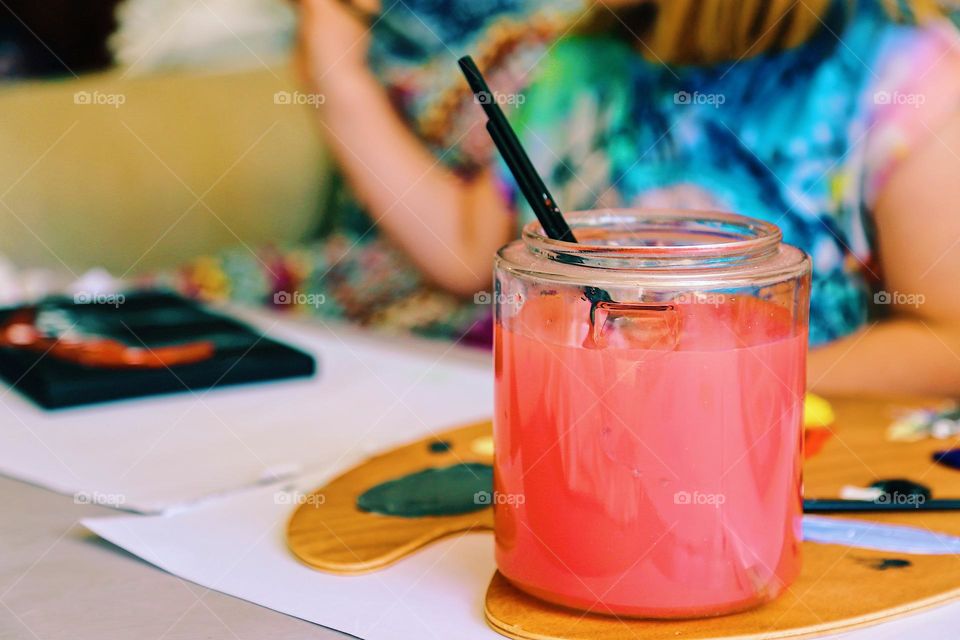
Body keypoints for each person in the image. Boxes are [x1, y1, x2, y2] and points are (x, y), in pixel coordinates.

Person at [171, 0, 960, 396]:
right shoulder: (584, 54)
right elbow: (467, 250)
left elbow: (948, 341)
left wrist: (706, 381)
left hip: (742, 444)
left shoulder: (907, 82)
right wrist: (336, 76)